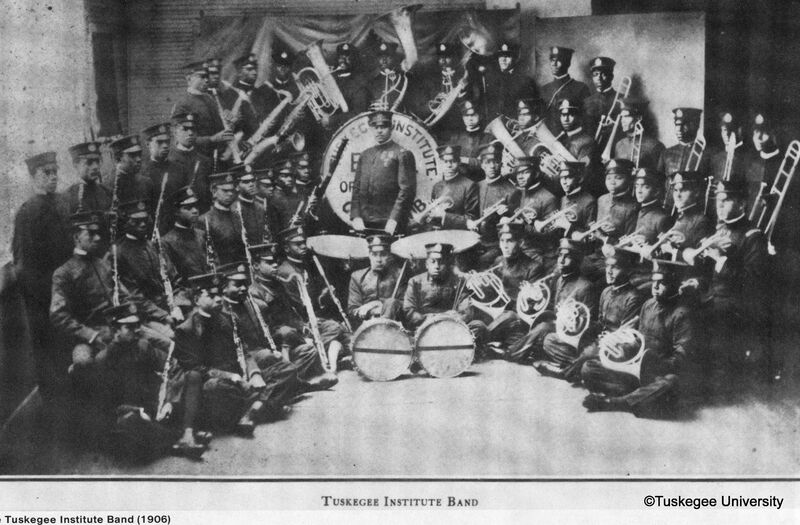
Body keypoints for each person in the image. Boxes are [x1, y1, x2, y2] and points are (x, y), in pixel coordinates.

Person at [50, 211, 174, 398]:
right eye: (91, 234)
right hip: (91, 334)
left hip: (124, 327)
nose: (98, 238)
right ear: (76, 237)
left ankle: (165, 396)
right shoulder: (64, 273)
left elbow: (126, 297)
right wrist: (90, 335)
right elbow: (58, 315)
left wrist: (136, 319)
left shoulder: (104, 265)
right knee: (83, 363)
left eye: (98, 233)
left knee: (168, 342)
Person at [173, 270, 295, 437]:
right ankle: (264, 405)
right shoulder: (186, 330)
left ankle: (253, 409)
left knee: (287, 369)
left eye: (218, 295)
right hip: (215, 380)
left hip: (240, 374)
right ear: (196, 300)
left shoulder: (228, 318)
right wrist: (230, 376)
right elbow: (194, 369)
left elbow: (243, 350)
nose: (217, 299)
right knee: (216, 388)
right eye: (210, 296)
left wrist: (254, 373)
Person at [581, 260, 703, 419]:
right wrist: (625, 346)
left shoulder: (682, 314)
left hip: (658, 373)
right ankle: (637, 398)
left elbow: (681, 359)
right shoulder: (648, 304)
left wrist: (655, 362)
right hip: (636, 369)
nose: (656, 287)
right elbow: (637, 338)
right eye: (654, 282)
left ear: (674, 285)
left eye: (662, 283)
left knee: (670, 383)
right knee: (589, 368)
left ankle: (614, 402)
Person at [684, 179, 771, 382]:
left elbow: (752, 282)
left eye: (726, 201)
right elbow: (710, 274)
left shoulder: (754, 236)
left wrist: (720, 259)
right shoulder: (721, 229)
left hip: (739, 303)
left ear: (741, 204)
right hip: (716, 295)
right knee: (679, 303)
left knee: (700, 315)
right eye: (718, 201)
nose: (719, 206)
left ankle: (715, 376)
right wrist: (698, 282)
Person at [12, 151, 73, 399]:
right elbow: (22, 261)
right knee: (47, 347)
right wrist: (42, 296)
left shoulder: (63, 202)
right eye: (46, 173)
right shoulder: (27, 212)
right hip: (42, 294)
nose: (52, 177)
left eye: (55, 172)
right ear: (33, 177)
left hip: (67, 287)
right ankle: (52, 400)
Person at [545, 247, 646, 381]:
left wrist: (599, 343)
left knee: (589, 353)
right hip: (597, 341)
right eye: (607, 266)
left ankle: (568, 371)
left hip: (614, 347)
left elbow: (625, 334)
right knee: (550, 340)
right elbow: (599, 323)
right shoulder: (606, 292)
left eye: (615, 268)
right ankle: (580, 366)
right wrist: (577, 324)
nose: (608, 271)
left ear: (627, 271)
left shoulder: (633, 297)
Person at [276, 225, 352, 373]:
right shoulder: (286, 271)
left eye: (303, 242)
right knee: (336, 329)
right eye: (297, 244)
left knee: (340, 330)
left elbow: (311, 299)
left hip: (312, 319)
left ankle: (332, 353)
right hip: (300, 324)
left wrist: (323, 296)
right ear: (286, 248)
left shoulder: (301, 266)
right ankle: (314, 353)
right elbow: (296, 305)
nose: (303, 246)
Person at [476, 222, 543, 360]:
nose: (504, 245)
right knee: (472, 307)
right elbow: (490, 294)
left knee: (510, 316)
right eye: (502, 241)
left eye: (510, 241)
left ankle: (474, 340)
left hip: (517, 320)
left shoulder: (534, 267)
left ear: (521, 242)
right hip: (497, 314)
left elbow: (532, 308)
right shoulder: (498, 261)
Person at [402, 243, 487, 348]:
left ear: (447, 264)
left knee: (479, 326)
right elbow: (409, 311)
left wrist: (451, 319)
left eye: (441, 262)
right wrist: (432, 318)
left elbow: (466, 311)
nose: (437, 266)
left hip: (450, 328)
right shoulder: (415, 281)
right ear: (426, 264)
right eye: (432, 262)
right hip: (423, 328)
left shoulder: (458, 281)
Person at [114, 199, 184, 321]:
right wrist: (164, 316)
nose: (142, 225)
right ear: (125, 222)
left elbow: (175, 280)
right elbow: (134, 296)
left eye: (145, 220)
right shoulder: (119, 254)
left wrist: (179, 305)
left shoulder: (154, 246)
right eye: (136, 221)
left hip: (174, 307)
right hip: (147, 315)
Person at [350, 109, 416, 234]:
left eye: (383, 126)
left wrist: (394, 219)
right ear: (371, 129)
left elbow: (407, 190)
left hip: (390, 223)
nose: (379, 130)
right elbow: (356, 187)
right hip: (364, 222)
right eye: (375, 127)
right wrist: (356, 215)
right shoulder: (365, 154)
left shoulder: (402, 154)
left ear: (391, 127)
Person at [504, 156, 559, 272]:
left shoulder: (548, 198)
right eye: (518, 173)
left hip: (542, 253)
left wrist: (523, 227)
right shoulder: (522, 193)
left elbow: (551, 234)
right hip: (523, 247)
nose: (520, 176)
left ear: (536, 173)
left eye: (525, 172)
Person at [171, 60, 232, 158]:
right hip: (197, 157)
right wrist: (212, 139)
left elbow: (221, 128)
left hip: (219, 155)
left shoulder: (210, 98)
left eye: (207, 76)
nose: (207, 80)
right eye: (202, 77)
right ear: (189, 79)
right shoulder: (182, 104)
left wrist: (230, 119)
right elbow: (181, 138)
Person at [472, 142, 516, 268]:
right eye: (487, 162)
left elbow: (515, 227)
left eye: (495, 162)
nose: (492, 166)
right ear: (482, 165)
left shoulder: (511, 191)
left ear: (501, 164)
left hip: (495, 245)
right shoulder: (476, 186)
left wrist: (507, 213)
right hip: (474, 241)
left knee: (480, 263)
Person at [347, 234, 407, 326]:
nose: (378, 259)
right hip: (366, 327)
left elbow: (405, 306)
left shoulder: (400, 275)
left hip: (394, 327)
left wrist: (376, 304)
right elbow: (352, 310)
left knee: (391, 302)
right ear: (369, 255)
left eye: (383, 254)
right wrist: (373, 310)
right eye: (374, 255)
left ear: (389, 256)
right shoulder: (357, 277)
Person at [140, 122, 187, 235]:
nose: (165, 145)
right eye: (160, 142)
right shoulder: (142, 173)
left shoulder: (179, 169)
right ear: (148, 144)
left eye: (167, 141)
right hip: (154, 230)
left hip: (179, 227)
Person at [420, 145, 480, 232]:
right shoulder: (437, 186)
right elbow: (433, 216)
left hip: (461, 236)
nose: (449, 165)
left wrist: (444, 215)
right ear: (439, 163)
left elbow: (472, 218)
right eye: (445, 161)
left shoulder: (469, 185)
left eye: (453, 161)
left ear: (459, 162)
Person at [658, 107, 705, 211]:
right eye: (677, 125)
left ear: (696, 125)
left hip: (693, 210)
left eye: (684, 125)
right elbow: (659, 184)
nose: (678, 129)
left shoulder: (705, 154)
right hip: (669, 209)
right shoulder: (666, 153)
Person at [161, 186, 210, 285]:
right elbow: (173, 278)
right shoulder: (166, 242)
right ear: (176, 212)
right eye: (188, 208)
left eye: (196, 206)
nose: (195, 211)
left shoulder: (202, 235)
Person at [166, 112, 213, 213]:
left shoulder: (205, 162)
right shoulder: (167, 160)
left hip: (201, 216)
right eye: (185, 129)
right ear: (175, 132)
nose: (190, 133)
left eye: (193, 129)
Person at [539, 46, 591, 134]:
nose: (554, 64)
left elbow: (587, 120)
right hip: (548, 138)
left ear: (567, 63)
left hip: (571, 137)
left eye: (558, 60)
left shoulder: (581, 88)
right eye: (552, 60)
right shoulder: (544, 90)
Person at [483, 41, 537, 122]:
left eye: (507, 56)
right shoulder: (492, 80)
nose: (503, 59)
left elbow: (529, 111)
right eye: (500, 56)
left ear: (515, 58)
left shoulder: (526, 81)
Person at [554, 98, 598, 196]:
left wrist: (553, 175)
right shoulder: (561, 139)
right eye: (563, 115)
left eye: (571, 114)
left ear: (579, 117)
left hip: (579, 194)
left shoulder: (587, 142)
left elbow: (583, 173)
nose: (566, 119)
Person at [202, 171, 246, 266]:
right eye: (225, 191)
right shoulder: (205, 220)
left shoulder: (237, 216)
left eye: (232, 190)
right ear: (214, 191)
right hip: (222, 271)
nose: (230, 194)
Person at [612, 97, 665, 171]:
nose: (622, 120)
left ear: (639, 118)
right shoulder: (620, 144)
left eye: (626, 117)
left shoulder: (654, 146)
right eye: (622, 117)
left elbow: (658, 175)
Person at [63, 141, 112, 214]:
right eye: (89, 162)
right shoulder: (67, 197)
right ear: (76, 165)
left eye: (97, 161)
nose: (95, 166)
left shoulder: (106, 191)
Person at [450, 100, 493, 182]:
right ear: (463, 118)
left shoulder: (488, 138)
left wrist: (464, 160)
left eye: (473, 115)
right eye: (466, 116)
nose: (470, 119)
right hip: (459, 182)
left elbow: (488, 163)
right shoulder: (455, 138)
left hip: (480, 181)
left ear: (479, 116)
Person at [107, 134, 155, 207]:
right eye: (133, 155)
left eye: (139, 154)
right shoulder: (108, 187)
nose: (138, 159)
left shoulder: (146, 183)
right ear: (119, 158)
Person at [365, 40, 410, 113]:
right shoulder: (371, 83)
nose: (384, 60)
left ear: (393, 58)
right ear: (376, 59)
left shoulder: (402, 80)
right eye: (380, 57)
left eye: (387, 56)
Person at [583, 57, 619, 141]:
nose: (598, 78)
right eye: (595, 74)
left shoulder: (621, 99)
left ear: (611, 76)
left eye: (603, 74)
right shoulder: (587, 102)